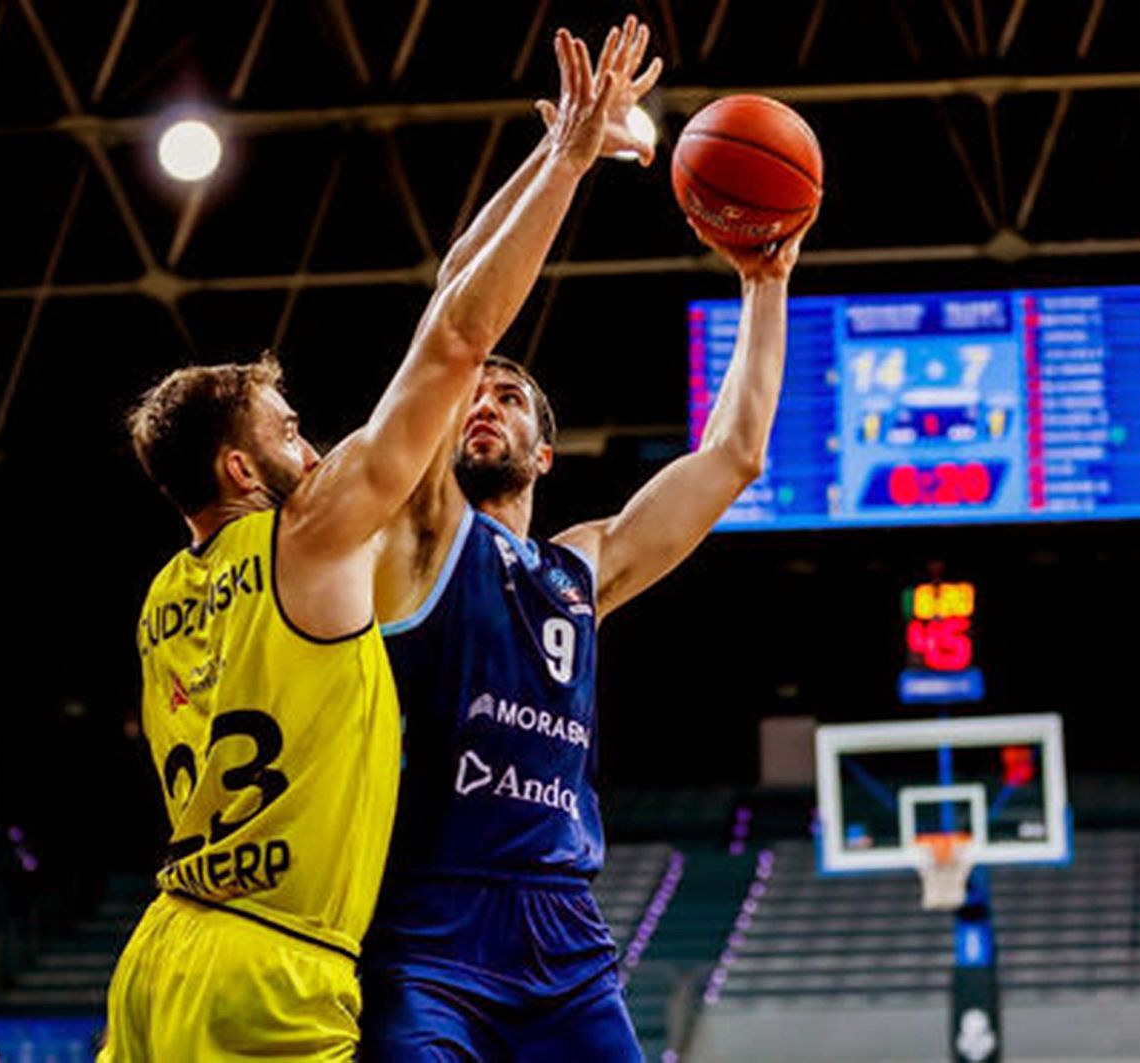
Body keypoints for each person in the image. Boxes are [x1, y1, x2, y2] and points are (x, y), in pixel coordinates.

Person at [97, 24, 623, 1061]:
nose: (314, 441)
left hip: (161, 949)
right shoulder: (312, 532)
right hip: (274, 960)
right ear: (243, 475)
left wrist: (551, 146)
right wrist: (565, 163)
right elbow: (456, 337)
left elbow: (443, 301)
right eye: (288, 432)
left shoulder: (167, 589)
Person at [361, 28, 817, 1057]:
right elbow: (454, 314)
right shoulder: (421, 530)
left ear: (547, 450)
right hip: (427, 922)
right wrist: (563, 151)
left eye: (511, 398)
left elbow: (735, 452)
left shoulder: (580, 568)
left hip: (562, 931)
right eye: (475, 395)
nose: (486, 401)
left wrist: (763, 282)